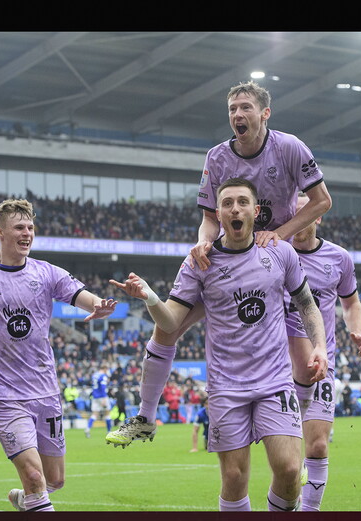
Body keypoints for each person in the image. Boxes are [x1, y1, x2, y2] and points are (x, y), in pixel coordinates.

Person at [106, 80, 333, 447]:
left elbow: (322, 201)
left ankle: (299, 444)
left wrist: (280, 232)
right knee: (167, 328)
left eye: (245, 107)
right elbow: (210, 217)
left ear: (264, 113)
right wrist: (202, 241)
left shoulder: (289, 147)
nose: (237, 115)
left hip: (272, 263)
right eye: (232, 109)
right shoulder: (216, 157)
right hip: (228, 257)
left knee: (305, 360)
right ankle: (145, 417)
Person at [110, 178, 328, 512]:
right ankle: (144, 417)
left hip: (274, 381)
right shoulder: (200, 261)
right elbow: (169, 324)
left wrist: (320, 347)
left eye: (242, 202)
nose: (235, 208)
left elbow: (307, 304)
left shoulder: (279, 252)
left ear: (256, 211)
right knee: (235, 477)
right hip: (227, 386)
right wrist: (150, 297)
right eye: (228, 203)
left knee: (287, 470)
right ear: (218, 213)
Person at [0, 198, 117, 512]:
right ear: (0, 232)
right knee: (34, 475)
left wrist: (99, 306)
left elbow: (83, 297)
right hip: (5, 395)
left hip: (46, 392)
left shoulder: (46, 272)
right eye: (19, 228)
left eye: (30, 227)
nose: (27, 233)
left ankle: (24, 501)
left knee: (55, 480)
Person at [288, 194, 361, 511]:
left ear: (318, 216)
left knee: (319, 444)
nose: (298, 220)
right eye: (293, 214)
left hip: (320, 363)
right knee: (288, 459)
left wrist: (358, 330)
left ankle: (310, 514)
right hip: (277, 367)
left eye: (305, 214)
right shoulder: (274, 253)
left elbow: (351, 303)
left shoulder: (339, 258)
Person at [86, 363, 112, 438]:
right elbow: (103, 387)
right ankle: (109, 431)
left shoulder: (94, 375)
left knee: (94, 414)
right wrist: (104, 398)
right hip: (102, 396)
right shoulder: (103, 376)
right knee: (107, 413)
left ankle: (87, 428)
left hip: (95, 397)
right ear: (105, 369)